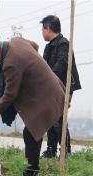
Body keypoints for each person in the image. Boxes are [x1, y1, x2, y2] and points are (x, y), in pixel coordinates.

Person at [0, 34, 65, 176]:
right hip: (51, 89)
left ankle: (30, 173)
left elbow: (10, 94)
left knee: (31, 132)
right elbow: (35, 46)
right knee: (32, 132)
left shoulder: (10, 62)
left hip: (46, 95)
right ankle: (31, 170)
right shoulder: (17, 41)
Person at [40, 15, 82, 158]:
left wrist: (49, 79)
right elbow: (44, 66)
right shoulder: (48, 46)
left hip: (63, 86)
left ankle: (65, 151)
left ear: (48, 27)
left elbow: (61, 64)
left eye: (43, 28)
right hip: (50, 85)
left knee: (58, 118)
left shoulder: (63, 44)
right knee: (50, 117)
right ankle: (51, 149)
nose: (42, 32)